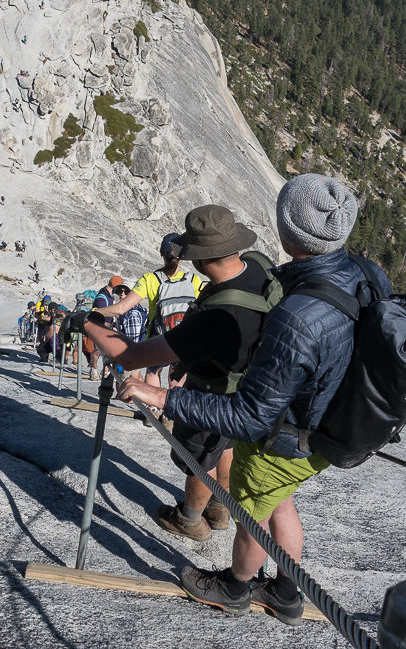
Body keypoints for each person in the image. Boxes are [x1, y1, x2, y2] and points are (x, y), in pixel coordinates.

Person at [117, 175, 391, 625]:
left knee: (251, 513)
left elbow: (248, 417)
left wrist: (163, 396)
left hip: (288, 433)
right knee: (281, 502)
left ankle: (233, 587)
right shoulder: (364, 272)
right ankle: (285, 591)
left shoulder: (297, 316)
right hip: (333, 420)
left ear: (287, 229)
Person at [76, 206, 274, 541]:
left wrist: (87, 322)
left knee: (201, 458)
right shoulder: (258, 268)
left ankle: (190, 518)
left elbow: (130, 355)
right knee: (225, 448)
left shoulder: (214, 315)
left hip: (210, 390)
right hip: (247, 387)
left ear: (199, 258)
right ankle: (220, 509)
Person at [96, 233, 202, 386]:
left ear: (161, 254)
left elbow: (120, 309)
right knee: (176, 376)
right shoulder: (193, 280)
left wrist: (93, 313)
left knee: (153, 371)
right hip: (184, 337)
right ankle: (171, 408)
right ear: (182, 255)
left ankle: (153, 408)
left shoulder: (150, 279)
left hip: (159, 338)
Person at [87, 275, 123, 380]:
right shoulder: (102, 298)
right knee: (98, 350)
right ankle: (94, 369)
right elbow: (100, 316)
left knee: (105, 351)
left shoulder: (109, 296)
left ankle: (105, 371)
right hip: (101, 328)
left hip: (107, 327)